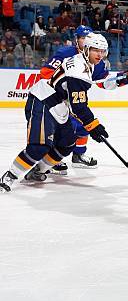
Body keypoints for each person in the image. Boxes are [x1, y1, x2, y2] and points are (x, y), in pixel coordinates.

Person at [0, 34, 111, 193]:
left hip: (58, 104)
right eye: (96, 50)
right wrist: (94, 126)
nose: (100, 55)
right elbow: (79, 106)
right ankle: (9, 176)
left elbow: (89, 91)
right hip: (43, 99)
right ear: (86, 49)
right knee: (39, 147)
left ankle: (38, 171)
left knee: (67, 143)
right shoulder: (78, 70)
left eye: (102, 51)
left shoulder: (88, 63)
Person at [39, 25, 128, 174]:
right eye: (82, 38)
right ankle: (51, 159)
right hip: (56, 99)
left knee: (82, 125)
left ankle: (78, 155)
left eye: (87, 38)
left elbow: (103, 82)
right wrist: (64, 86)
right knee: (63, 130)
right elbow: (45, 73)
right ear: (77, 39)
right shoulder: (65, 53)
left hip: (74, 100)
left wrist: (122, 79)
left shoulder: (96, 60)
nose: (85, 41)